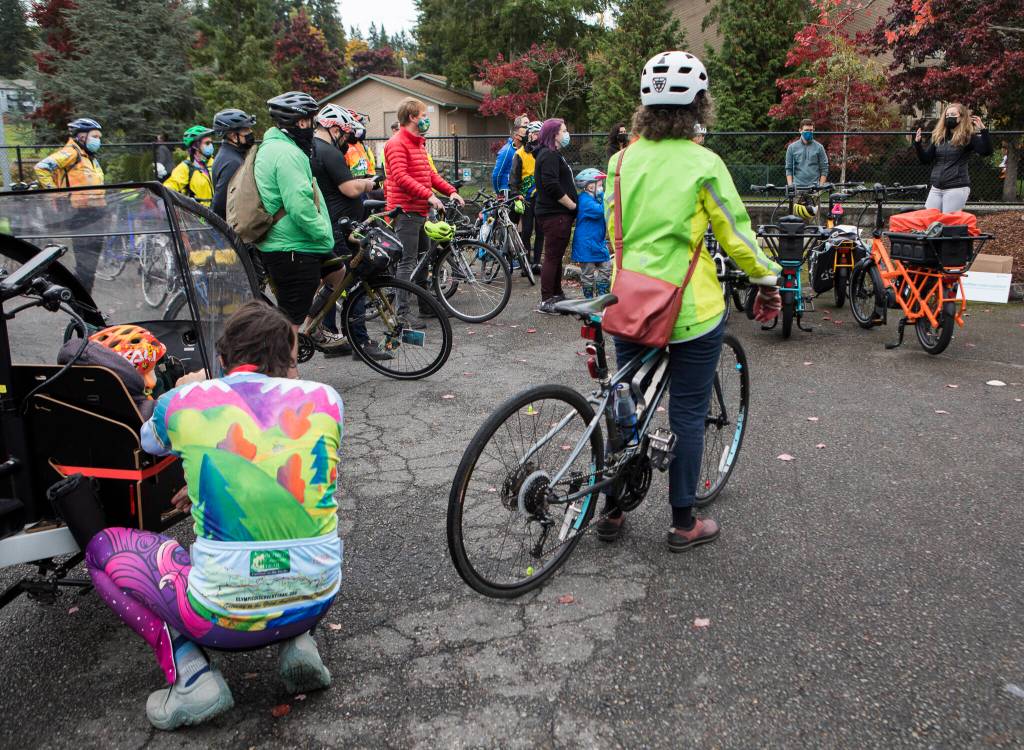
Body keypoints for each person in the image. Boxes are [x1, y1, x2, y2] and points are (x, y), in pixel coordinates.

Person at [84, 301, 344, 730]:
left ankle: (193, 677)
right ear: (289, 360)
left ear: (222, 359)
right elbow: (286, 466)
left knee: (103, 549)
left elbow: (150, 443)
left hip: (220, 619)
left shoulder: (186, 400)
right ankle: (298, 643)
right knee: (296, 517)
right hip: (316, 598)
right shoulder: (327, 400)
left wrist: (180, 390)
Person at [598, 50, 782, 552]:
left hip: (626, 301)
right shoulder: (705, 164)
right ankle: (683, 523)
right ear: (699, 105)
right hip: (688, 310)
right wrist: (768, 278)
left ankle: (612, 508)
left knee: (623, 401)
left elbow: (616, 232)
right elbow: (737, 235)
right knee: (686, 413)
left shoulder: (619, 162)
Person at [254, 91, 348, 353]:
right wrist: (325, 235)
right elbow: (300, 207)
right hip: (292, 247)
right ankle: (287, 376)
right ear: (293, 123)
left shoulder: (278, 147)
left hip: (295, 241)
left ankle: (314, 326)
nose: (311, 127)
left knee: (338, 273)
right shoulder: (287, 154)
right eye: (307, 121)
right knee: (290, 326)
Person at [310, 104, 392, 361]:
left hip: (330, 224)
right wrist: (368, 183)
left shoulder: (314, 149)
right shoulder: (329, 152)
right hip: (340, 227)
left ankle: (332, 336)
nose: (346, 139)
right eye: (344, 134)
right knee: (354, 281)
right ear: (334, 129)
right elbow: (348, 188)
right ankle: (360, 342)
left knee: (333, 282)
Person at [383, 97, 464, 323]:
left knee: (423, 260)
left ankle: (426, 306)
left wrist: (450, 191)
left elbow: (429, 175)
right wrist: (429, 196)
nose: (426, 120)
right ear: (412, 117)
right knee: (408, 262)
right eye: (424, 115)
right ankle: (402, 314)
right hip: (406, 211)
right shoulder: (397, 143)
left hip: (420, 210)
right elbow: (400, 177)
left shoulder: (418, 142)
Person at [34, 117, 105, 294]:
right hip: (81, 215)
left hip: (96, 215)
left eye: (99, 137)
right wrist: (55, 193)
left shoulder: (89, 157)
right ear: (81, 136)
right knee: (85, 267)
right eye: (95, 136)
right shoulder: (71, 153)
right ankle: (79, 304)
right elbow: (42, 167)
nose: (98, 140)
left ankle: (82, 302)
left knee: (89, 267)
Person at [533, 118, 577, 314]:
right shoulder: (549, 155)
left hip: (555, 214)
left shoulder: (551, 154)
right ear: (554, 134)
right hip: (555, 214)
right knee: (552, 256)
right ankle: (547, 298)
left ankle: (556, 293)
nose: (566, 134)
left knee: (556, 255)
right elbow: (551, 185)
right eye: (564, 130)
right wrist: (571, 204)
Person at [914, 103, 992, 213]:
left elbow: (986, 151)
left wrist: (983, 130)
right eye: (947, 114)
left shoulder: (967, 137)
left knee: (948, 223)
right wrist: (918, 144)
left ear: (961, 117)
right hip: (936, 187)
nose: (949, 117)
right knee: (930, 221)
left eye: (953, 114)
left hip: (956, 187)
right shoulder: (939, 137)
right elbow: (925, 159)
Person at [509, 120, 544, 273]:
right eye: (534, 134)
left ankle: (537, 263)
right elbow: (514, 178)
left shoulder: (542, 152)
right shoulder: (519, 154)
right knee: (527, 231)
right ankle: (526, 264)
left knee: (541, 231)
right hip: (526, 198)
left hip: (541, 197)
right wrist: (516, 195)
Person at [570, 168, 610, 299]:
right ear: (589, 186)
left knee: (606, 268)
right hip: (586, 244)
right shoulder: (585, 200)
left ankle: (601, 298)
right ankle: (589, 301)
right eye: (599, 184)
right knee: (588, 274)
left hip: (597, 242)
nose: (602, 187)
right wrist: (603, 196)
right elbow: (601, 211)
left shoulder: (595, 199)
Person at [211, 108, 257, 219]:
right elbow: (220, 204)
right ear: (233, 136)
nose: (250, 133)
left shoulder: (229, 154)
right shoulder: (232, 162)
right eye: (246, 130)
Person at [163, 126, 216, 207]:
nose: (211, 146)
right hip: (199, 215)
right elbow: (168, 188)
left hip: (218, 213)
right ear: (195, 146)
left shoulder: (215, 163)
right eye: (207, 143)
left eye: (211, 143)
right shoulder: (185, 167)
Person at [492, 115, 530, 195]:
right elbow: (497, 174)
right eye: (526, 123)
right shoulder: (507, 151)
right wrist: (498, 192)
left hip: (520, 190)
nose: (528, 126)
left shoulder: (525, 149)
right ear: (517, 129)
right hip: (507, 190)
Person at [785, 119, 829, 187]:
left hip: (814, 188)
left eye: (811, 130)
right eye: (806, 130)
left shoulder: (819, 147)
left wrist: (820, 188)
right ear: (800, 130)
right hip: (797, 188)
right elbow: (788, 168)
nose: (809, 132)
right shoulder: (791, 148)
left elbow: (824, 168)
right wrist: (790, 186)